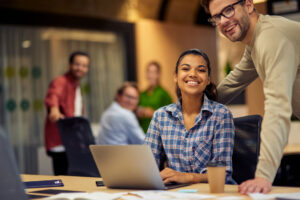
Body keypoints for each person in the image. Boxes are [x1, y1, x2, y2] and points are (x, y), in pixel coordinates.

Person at [200, 0, 300, 194]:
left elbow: (278, 108)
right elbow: (233, 83)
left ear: (248, 5)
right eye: (217, 17)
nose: (223, 21)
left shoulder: (271, 38)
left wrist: (263, 176)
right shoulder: (255, 43)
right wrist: (191, 105)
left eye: (228, 10)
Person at [144, 49, 235, 185]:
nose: (193, 74)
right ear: (175, 76)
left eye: (201, 70)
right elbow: (147, 169)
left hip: (212, 194)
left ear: (208, 79)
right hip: (175, 194)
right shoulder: (161, 117)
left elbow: (223, 174)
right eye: (186, 69)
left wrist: (187, 177)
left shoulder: (221, 115)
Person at [44, 51, 90, 175]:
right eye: (77, 64)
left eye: (84, 65)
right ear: (69, 65)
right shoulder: (61, 81)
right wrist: (54, 110)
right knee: (64, 182)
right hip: (61, 141)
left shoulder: (76, 85)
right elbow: (53, 95)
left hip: (72, 141)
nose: (80, 68)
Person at [136, 61, 173, 133]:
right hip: (142, 133)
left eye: (153, 72)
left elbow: (171, 117)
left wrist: (153, 113)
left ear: (158, 75)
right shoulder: (142, 94)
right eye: (148, 72)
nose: (150, 75)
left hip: (157, 133)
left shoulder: (164, 94)